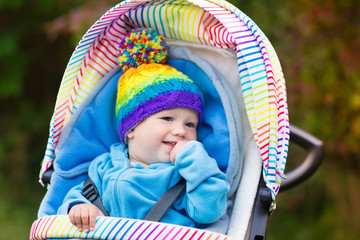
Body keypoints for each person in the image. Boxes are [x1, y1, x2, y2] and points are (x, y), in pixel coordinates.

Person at [57, 28, 229, 233]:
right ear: (132, 128)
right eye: (167, 118)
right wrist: (79, 207)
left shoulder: (184, 175)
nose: (181, 131)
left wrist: (193, 158)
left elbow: (209, 210)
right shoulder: (103, 167)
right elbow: (76, 196)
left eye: (190, 124)